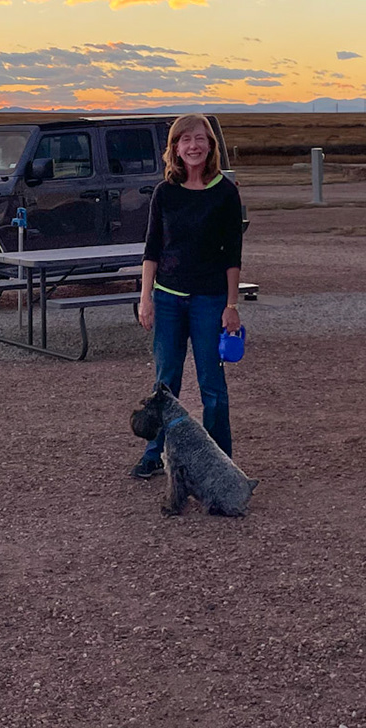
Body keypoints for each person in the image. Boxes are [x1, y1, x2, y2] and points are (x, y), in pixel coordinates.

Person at [130, 113, 243, 478]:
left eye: (199, 139)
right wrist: (146, 298)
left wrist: (231, 306)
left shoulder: (225, 193)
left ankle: (219, 461)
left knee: (212, 384)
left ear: (210, 145)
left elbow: (233, 255)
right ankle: (155, 453)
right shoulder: (165, 193)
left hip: (209, 300)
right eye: (185, 140)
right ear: (175, 148)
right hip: (167, 298)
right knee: (166, 381)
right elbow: (151, 249)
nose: (193, 146)